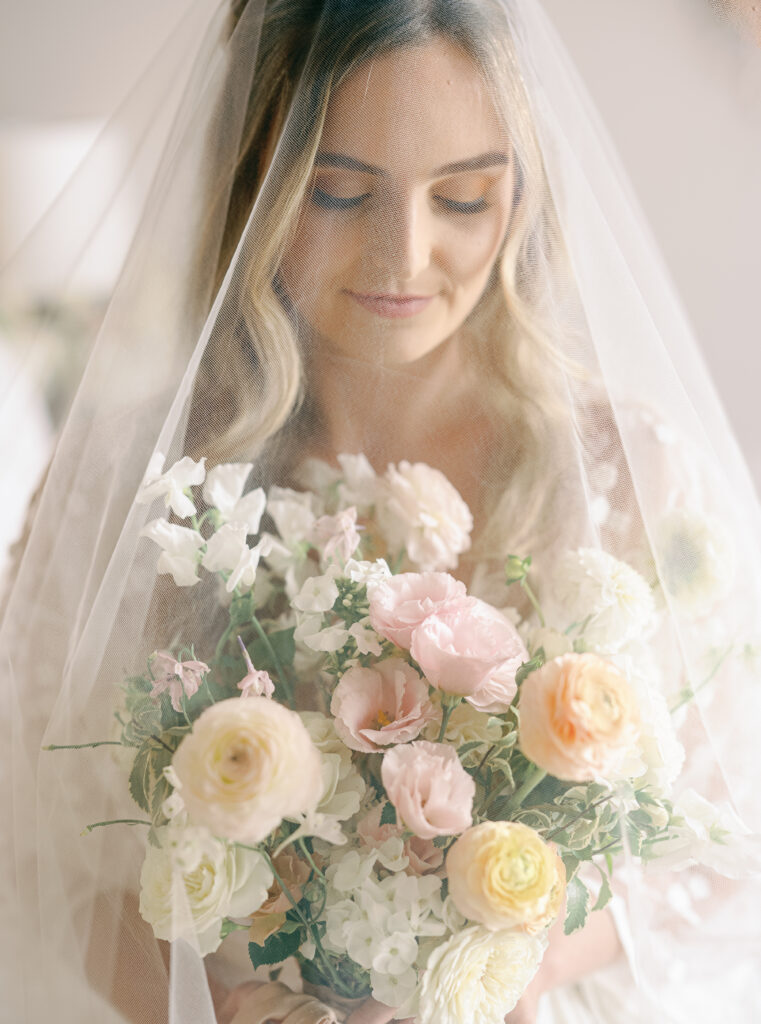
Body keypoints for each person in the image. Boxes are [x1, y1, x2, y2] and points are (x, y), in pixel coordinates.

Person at [2, 1, 760, 1023]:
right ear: (254, 185)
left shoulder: (634, 479)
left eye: (461, 198)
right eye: (340, 191)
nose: (403, 258)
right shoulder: (119, 480)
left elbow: (730, 846)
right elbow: (36, 855)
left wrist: (515, 968)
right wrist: (209, 1013)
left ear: (524, 198)